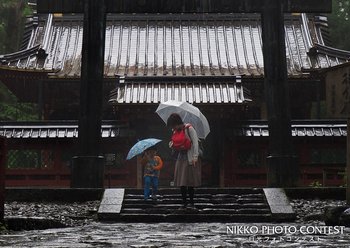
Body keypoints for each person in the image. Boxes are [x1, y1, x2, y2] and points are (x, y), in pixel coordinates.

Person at [167, 113, 201, 209]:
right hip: (180, 157)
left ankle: (191, 202)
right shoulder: (175, 131)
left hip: (189, 157)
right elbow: (175, 143)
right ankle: (184, 203)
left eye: (173, 125)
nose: (173, 127)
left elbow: (195, 143)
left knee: (190, 182)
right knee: (181, 182)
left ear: (177, 122)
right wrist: (172, 145)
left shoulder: (189, 129)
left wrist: (195, 157)